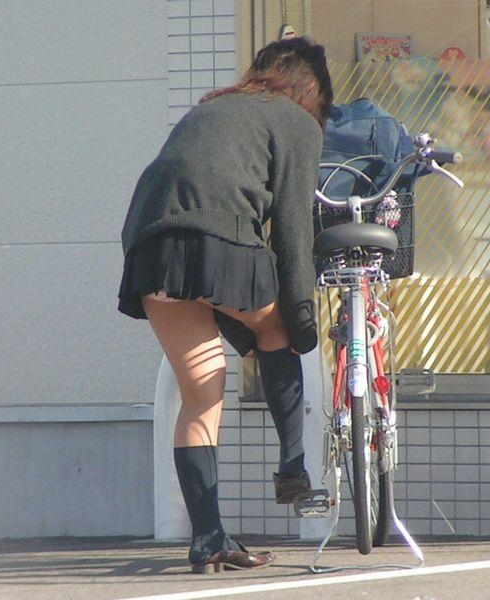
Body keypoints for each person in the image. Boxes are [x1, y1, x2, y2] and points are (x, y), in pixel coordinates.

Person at [118, 36, 333, 574]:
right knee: (277, 329)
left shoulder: (214, 106)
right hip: (217, 236)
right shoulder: (295, 121)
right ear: (312, 92)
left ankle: (208, 540)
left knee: (201, 392)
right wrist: (301, 317)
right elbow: (293, 230)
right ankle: (293, 467)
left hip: (150, 243)